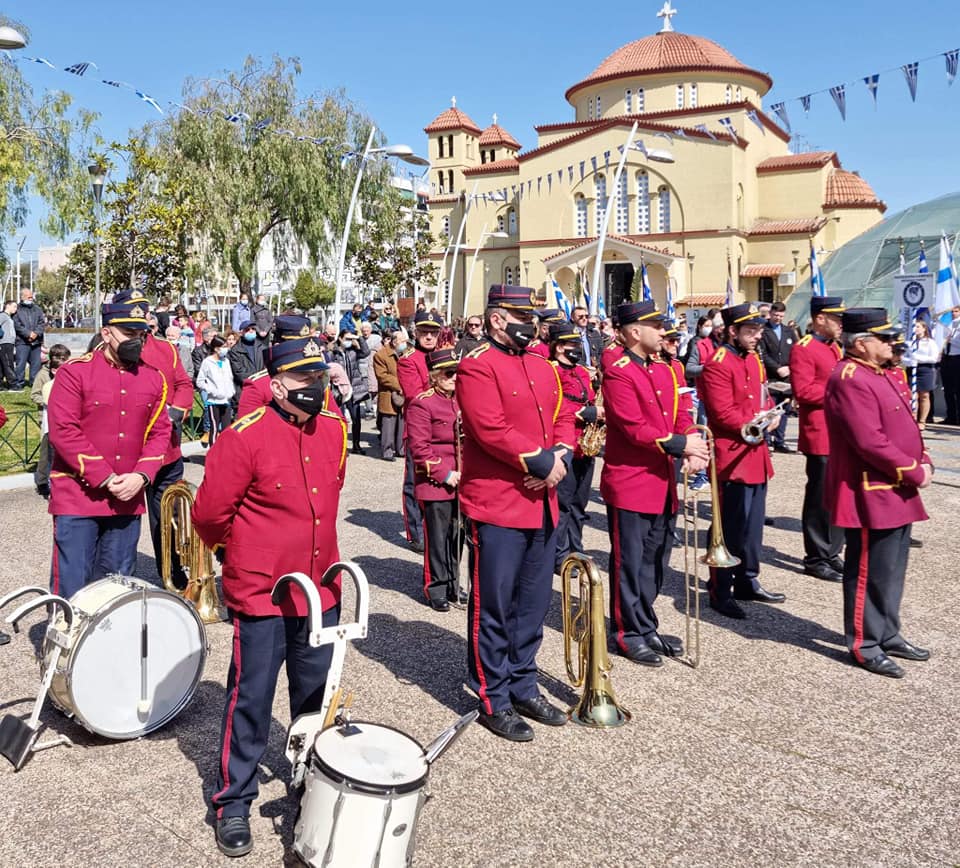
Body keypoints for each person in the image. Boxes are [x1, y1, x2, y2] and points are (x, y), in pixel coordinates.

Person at [191, 336, 347, 857]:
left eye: (320, 377)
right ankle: (233, 800)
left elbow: (329, 496)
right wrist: (243, 552)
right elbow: (210, 515)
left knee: (314, 697)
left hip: (320, 589)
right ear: (276, 386)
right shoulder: (242, 437)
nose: (316, 387)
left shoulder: (332, 431)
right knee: (251, 699)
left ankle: (309, 783)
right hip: (263, 594)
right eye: (305, 380)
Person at [458, 285, 576, 742]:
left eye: (532, 316)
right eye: (519, 315)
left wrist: (559, 457)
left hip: (541, 502)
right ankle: (493, 696)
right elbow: (490, 428)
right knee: (495, 605)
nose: (530, 323)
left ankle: (524, 683)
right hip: (498, 503)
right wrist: (543, 463)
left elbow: (563, 416)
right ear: (496, 320)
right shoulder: (477, 365)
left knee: (531, 605)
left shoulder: (543, 365)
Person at [824, 308, 932, 678]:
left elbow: (904, 425)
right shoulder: (850, 377)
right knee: (869, 569)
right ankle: (865, 643)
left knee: (892, 568)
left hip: (897, 486)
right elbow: (869, 440)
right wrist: (913, 469)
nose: (890, 343)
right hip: (872, 487)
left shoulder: (883, 373)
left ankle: (888, 632)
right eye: (882, 338)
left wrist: (924, 457)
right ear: (861, 344)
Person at [601, 303, 709, 664]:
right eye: (656, 326)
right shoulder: (618, 372)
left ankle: (645, 623)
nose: (664, 332)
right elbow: (632, 427)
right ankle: (628, 632)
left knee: (656, 559)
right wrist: (682, 445)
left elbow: (681, 415)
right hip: (632, 481)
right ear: (634, 331)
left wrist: (692, 445)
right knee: (629, 563)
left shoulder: (664, 369)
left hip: (662, 482)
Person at [46, 297, 171, 599]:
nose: (137, 340)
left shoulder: (153, 378)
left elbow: (160, 431)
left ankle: (109, 645)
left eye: (141, 334)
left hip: (127, 495)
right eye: (129, 333)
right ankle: (66, 642)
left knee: (117, 584)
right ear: (106, 333)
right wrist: (103, 475)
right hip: (78, 494)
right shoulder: (74, 372)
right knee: (73, 583)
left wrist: (142, 476)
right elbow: (64, 429)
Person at [699, 303, 787, 619]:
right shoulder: (718, 362)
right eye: (751, 331)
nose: (757, 336)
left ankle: (747, 579)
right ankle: (720, 588)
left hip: (755, 453)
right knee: (730, 528)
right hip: (732, 456)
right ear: (733, 331)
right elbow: (721, 412)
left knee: (752, 529)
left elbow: (763, 395)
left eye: (759, 330)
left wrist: (772, 414)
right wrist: (755, 420)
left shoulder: (753, 359)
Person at [790, 296, 846, 583]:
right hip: (820, 432)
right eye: (835, 318)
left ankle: (832, 550)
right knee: (819, 497)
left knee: (838, 495)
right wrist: (840, 389)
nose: (840, 323)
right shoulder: (804, 348)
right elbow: (803, 391)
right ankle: (815, 557)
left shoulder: (835, 347)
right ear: (820, 319)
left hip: (839, 432)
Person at [406, 348, 463, 610]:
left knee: (457, 536)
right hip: (436, 481)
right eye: (449, 373)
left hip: (463, 479)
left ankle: (453, 581)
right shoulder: (423, 402)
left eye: (457, 373)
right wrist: (445, 474)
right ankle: (436, 587)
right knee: (437, 539)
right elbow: (419, 448)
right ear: (435, 376)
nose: (454, 378)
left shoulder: (462, 399)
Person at [549, 321, 603, 572]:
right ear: (558, 347)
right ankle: (560, 557)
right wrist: (587, 412)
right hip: (566, 444)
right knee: (563, 504)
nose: (575, 348)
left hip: (586, 445)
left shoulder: (581, 372)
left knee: (579, 504)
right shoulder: (551, 371)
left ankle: (576, 551)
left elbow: (590, 399)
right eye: (571, 344)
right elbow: (556, 406)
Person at [397, 310, 443, 552]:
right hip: (419, 429)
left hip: (444, 429)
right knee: (415, 484)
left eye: (433, 332)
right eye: (424, 332)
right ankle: (416, 533)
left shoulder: (444, 356)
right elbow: (415, 396)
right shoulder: (408, 360)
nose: (428, 336)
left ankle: (436, 527)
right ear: (416, 332)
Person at [31, 343, 71, 498]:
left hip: (61, 417)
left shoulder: (66, 372)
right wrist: (47, 401)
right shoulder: (43, 375)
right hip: (46, 418)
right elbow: (34, 395)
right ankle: (42, 481)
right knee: (45, 453)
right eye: (63, 359)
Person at [760, 301, 798, 453]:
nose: (778, 318)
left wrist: (790, 367)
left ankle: (780, 441)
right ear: (771, 314)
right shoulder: (763, 331)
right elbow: (762, 352)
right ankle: (767, 439)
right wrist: (776, 368)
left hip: (786, 377)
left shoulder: (788, 331)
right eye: (776, 315)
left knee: (784, 410)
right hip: (772, 376)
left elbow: (795, 350)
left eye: (781, 316)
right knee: (771, 410)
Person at [328, 329, 370, 454]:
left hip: (354, 388)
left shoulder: (353, 351)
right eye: (346, 339)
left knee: (356, 419)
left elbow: (366, 352)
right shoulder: (333, 353)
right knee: (340, 418)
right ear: (340, 339)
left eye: (350, 339)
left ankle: (356, 445)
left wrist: (358, 338)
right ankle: (340, 446)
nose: (349, 342)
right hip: (339, 390)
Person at [373, 328, 406, 461]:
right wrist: (400, 385)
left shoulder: (404, 354)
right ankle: (387, 451)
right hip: (388, 393)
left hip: (403, 395)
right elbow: (382, 376)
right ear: (393, 342)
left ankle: (401, 449)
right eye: (402, 341)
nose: (405, 344)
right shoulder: (381, 355)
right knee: (388, 424)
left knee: (401, 423)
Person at [196, 336, 235, 445]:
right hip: (214, 401)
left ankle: (225, 453)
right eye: (223, 347)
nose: (226, 349)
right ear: (216, 348)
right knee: (214, 427)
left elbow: (229, 377)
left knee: (226, 429)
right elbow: (200, 381)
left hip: (226, 400)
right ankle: (213, 454)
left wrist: (230, 392)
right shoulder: (207, 362)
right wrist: (212, 390)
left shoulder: (226, 361)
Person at [906, 319, 939, 428]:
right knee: (912, 395)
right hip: (912, 369)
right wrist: (909, 361)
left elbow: (934, 358)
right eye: (914, 327)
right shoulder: (910, 342)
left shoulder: (930, 342)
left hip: (925, 369)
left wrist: (918, 358)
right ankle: (912, 418)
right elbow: (903, 356)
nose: (915, 329)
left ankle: (922, 420)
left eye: (918, 326)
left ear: (924, 328)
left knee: (924, 395)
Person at [13, 289, 45, 389]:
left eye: (31, 296)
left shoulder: (37, 309)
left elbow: (42, 323)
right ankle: (19, 383)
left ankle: (34, 383)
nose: (31, 298)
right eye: (28, 297)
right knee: (21, 364)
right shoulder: (17, 309)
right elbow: (16, 325)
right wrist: (28, 334)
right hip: (22, 342)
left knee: (36, 364)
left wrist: (36, 333)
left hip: (36, 342)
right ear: (22, 297)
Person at [939, 306, 960, 424]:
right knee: (948, 389)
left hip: (957, 357)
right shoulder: (948, 324)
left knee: (958, 389)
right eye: (952, 311)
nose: (953, 313)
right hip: (946, 357)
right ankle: (950, 416)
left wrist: (949, 340)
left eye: (956, 311)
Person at [571, 305, 603, 370]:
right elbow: (571, 355)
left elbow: (601, 352)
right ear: (572, 318)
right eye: (580, 317)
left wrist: (596, 367)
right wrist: (586, 368)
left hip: (595, 372)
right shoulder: (569, 334)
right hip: (579, 371)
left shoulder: (594, 333)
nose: (584, 318)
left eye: (586, 316)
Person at [0, 298, 16, 389]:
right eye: (14, 306)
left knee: (3, 364)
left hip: (8, 343)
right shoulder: (3, 316)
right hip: (4, 343)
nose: (15, 309)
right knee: (8, 363)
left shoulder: (9, 317)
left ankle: (1, 385)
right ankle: (12, 384)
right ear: (8, 306)